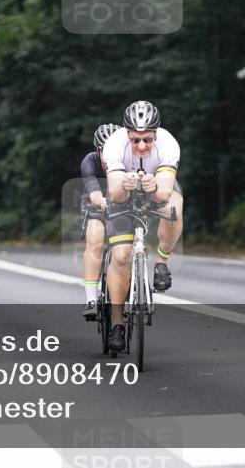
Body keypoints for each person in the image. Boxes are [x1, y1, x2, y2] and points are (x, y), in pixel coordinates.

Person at [101, 100, 184, 353]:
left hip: (157, 186)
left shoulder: (168, 143)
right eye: (135, 140)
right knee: (121, 256)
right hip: (123, 192)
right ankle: (117, 324)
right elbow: (115, 195)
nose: (141, 146)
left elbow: (164, 193)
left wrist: (153, 186)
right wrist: (125, 184)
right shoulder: (114, 144)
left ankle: (162, 262)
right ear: (127, 133)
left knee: (174, 207)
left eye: (148, 139)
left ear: (156, 134)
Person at [79, 123, 120, 321]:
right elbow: (95, 197)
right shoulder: (90, 161)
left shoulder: (129, 160)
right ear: (98, 150)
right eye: (105, 150)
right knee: (95, 241)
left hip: (124, 203)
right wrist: (106, 204)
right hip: (97, 203)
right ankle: (91, 299)